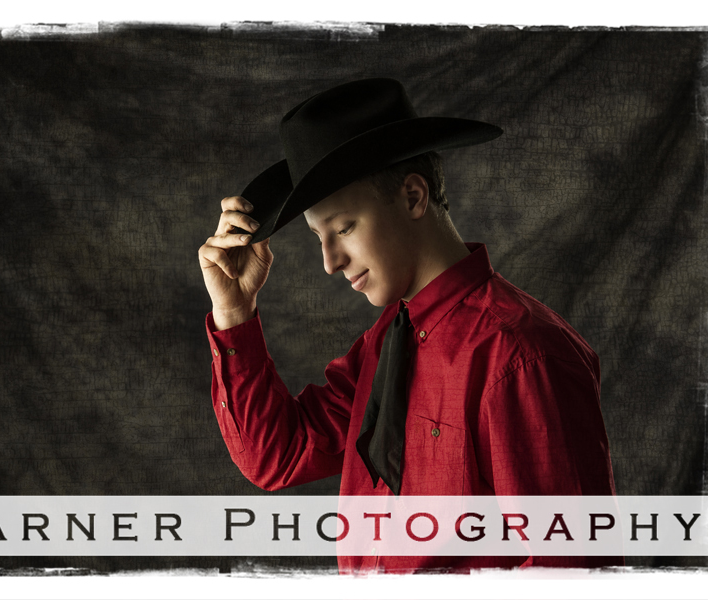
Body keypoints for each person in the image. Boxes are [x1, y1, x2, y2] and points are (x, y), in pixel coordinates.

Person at [197, 78, 619, 573]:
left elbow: (572, 567)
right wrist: (233, 311)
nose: (330, 262)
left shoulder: (520, 355)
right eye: (318, 237)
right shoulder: (386, 343)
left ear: (414, 196)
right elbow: (278, 455)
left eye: (345, 228)